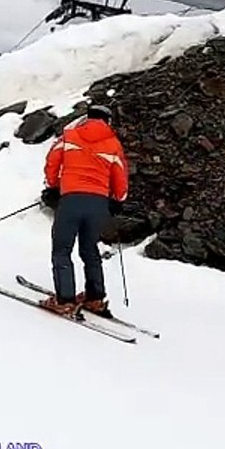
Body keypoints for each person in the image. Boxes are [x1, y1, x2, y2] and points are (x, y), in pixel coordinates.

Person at [39, 103, 128, 319]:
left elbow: (52, 162)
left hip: (71, 200)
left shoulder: (69, 136)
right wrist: (117, 200)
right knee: (89, 250)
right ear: (107, 121)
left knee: (62, 250)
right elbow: (121, 178)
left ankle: (65, 300)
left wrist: (53, 187)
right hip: (98, 204)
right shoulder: (114, 144)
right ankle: (95, 299)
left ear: (88, 117)